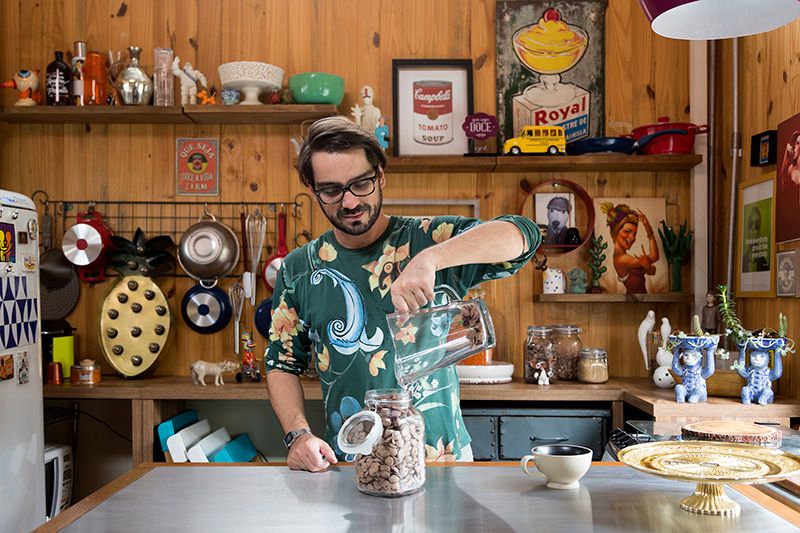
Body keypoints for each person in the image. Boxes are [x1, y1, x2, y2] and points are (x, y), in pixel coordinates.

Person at [265, 116, 540, 472]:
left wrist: (431, 259)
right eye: (331, 190)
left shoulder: (429, 238)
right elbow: (282, 363)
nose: (349, 202)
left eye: (360, 183)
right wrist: (298, 435)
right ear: (312, 188)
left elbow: (523, 235)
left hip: (442, 461)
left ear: (380, 175)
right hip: (354, 464)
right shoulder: (298, 269)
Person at [599, 202, 659, 294]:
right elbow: (654, 257)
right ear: (615, 232)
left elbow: (653, 271)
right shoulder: (621, 259)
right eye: (627, 231)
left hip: (641, 301)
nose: (632, 238)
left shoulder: (627, 258)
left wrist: (647, 267)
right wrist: (648, 229)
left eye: (634, 234)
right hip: (634, 301)